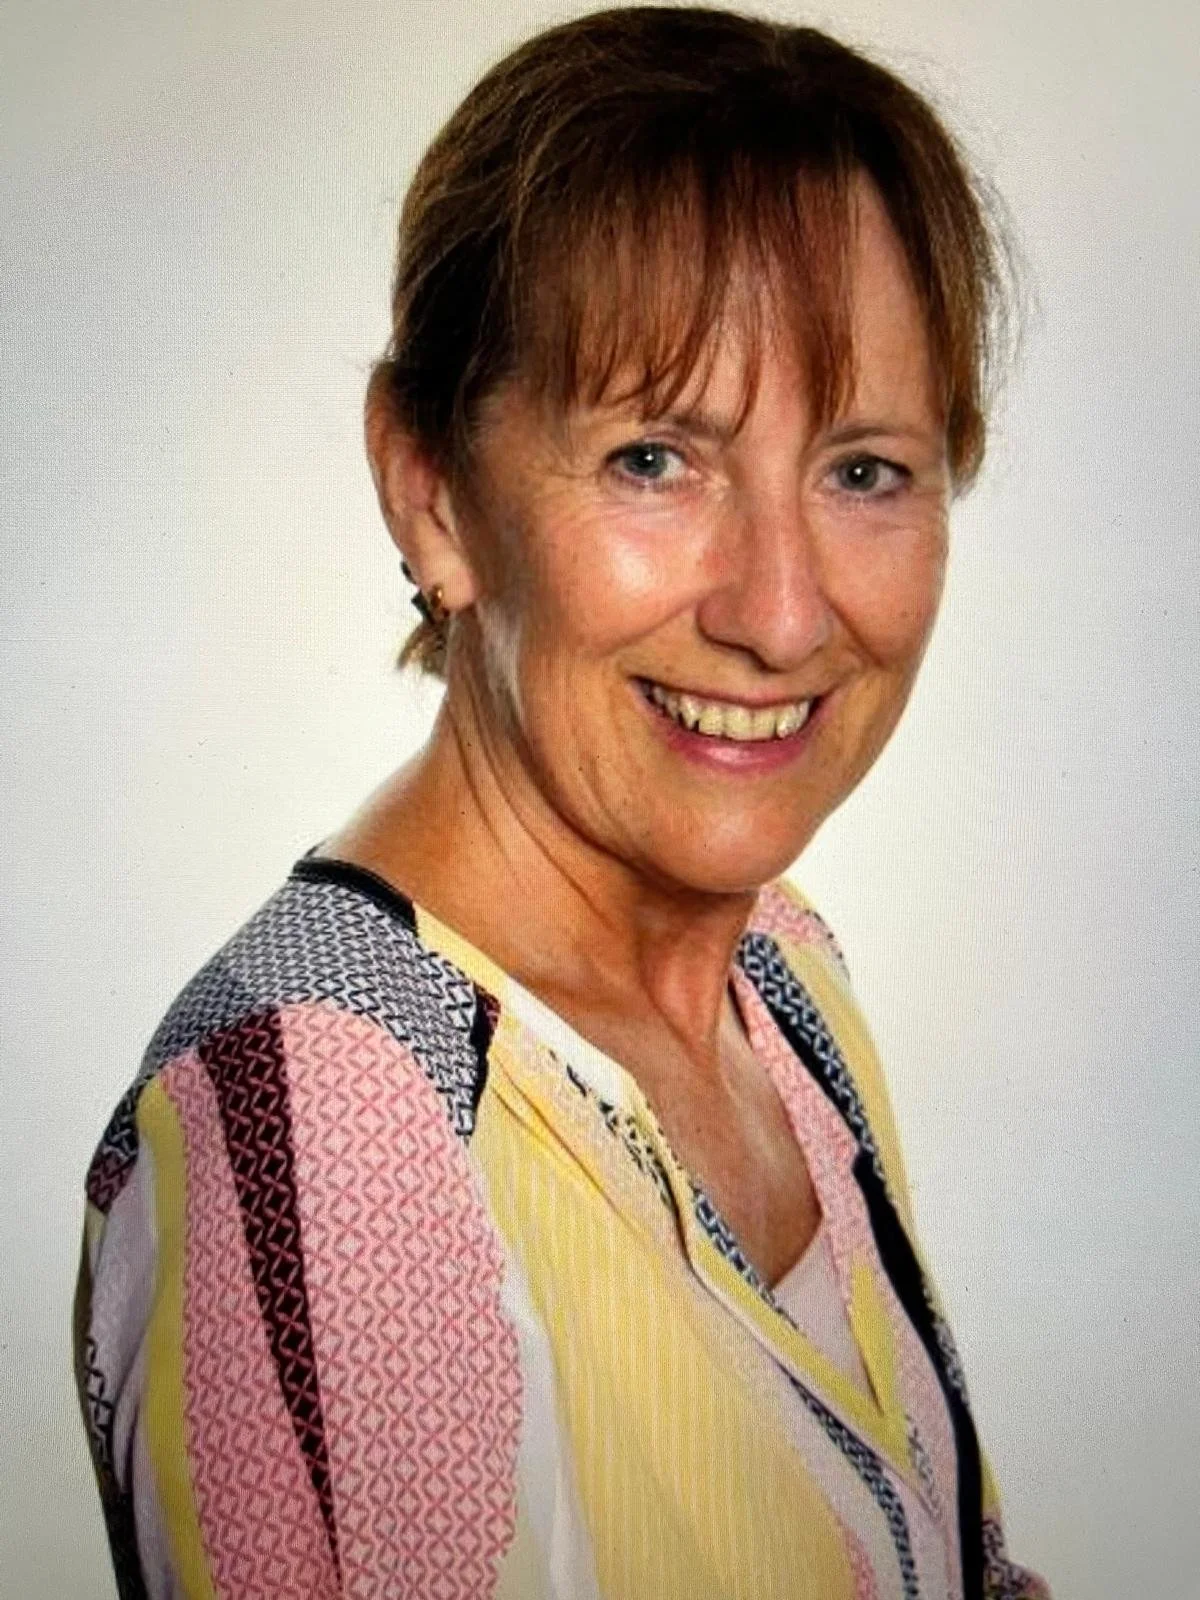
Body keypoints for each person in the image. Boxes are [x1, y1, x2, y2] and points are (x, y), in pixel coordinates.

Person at [75, 8, 1050, 1597]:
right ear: (434, 490)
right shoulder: (335, 1127)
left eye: (866, 468)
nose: (786, 616)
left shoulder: (779, 971)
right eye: (656, 458)